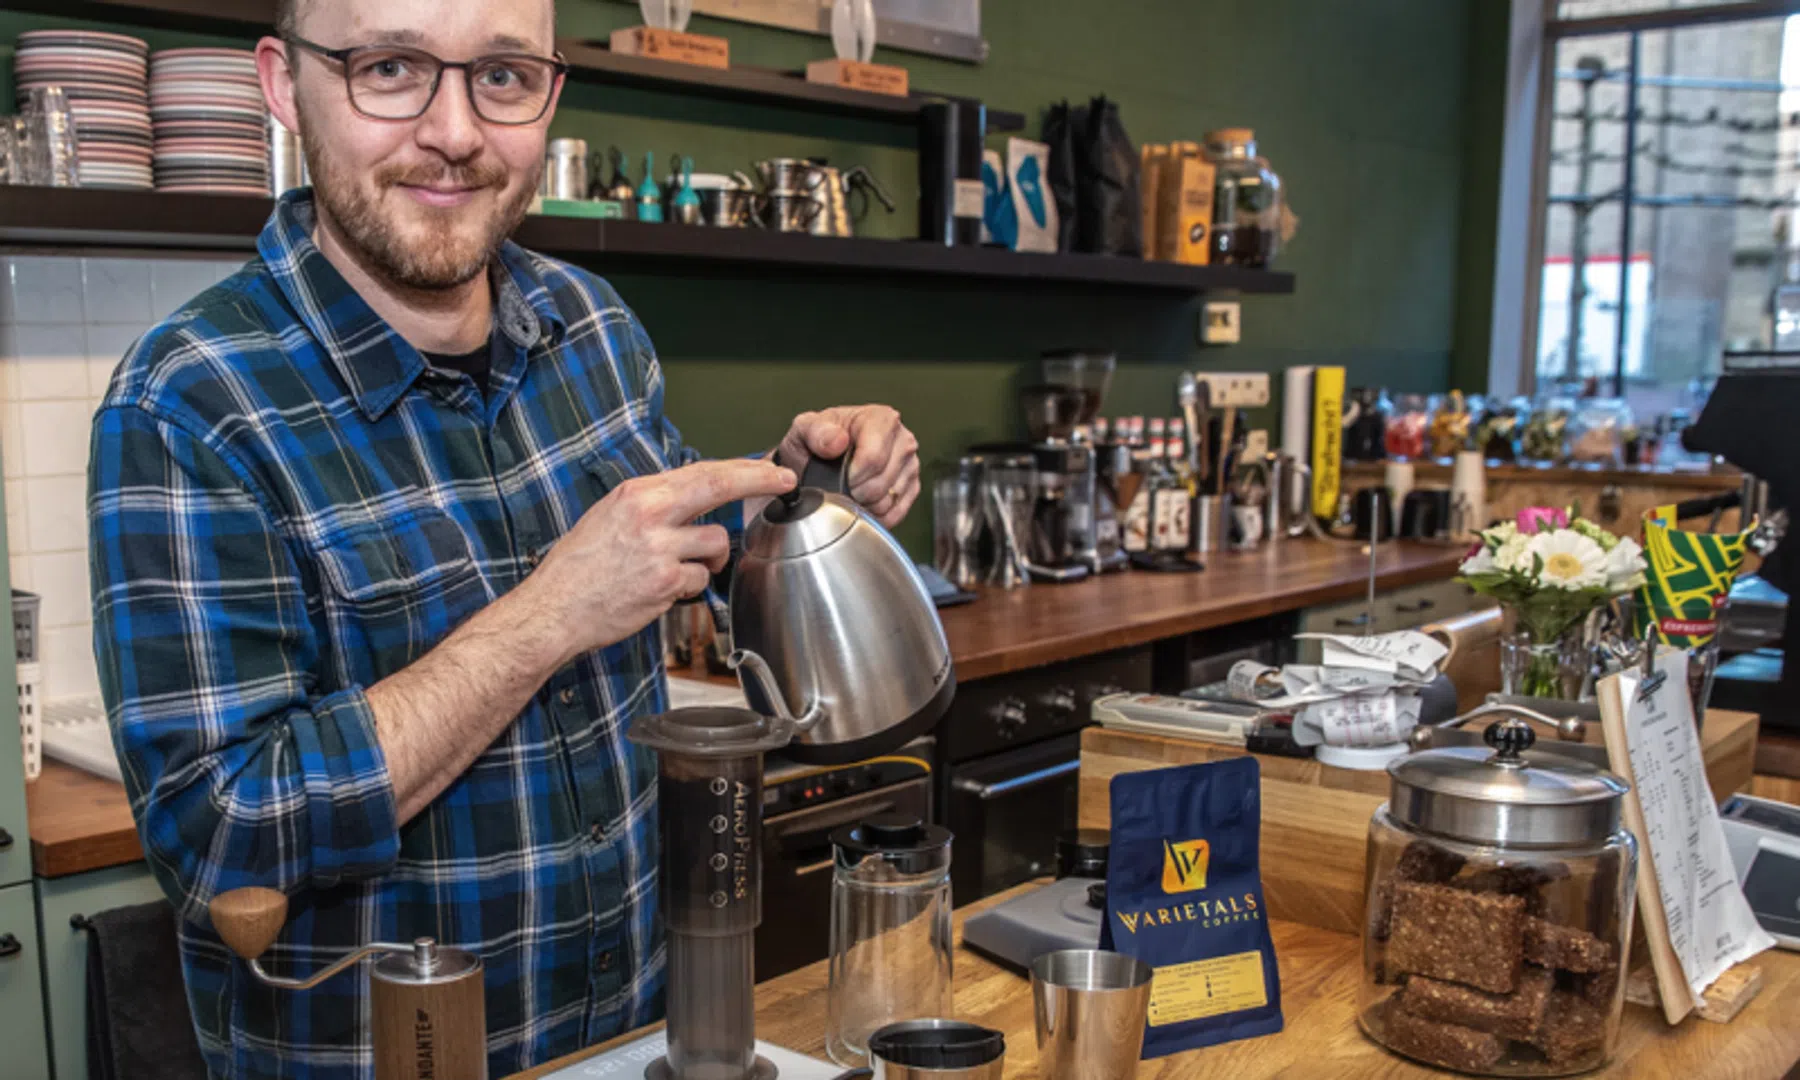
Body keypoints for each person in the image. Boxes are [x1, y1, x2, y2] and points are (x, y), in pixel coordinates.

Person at [85, 0, 921, 1075]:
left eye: (503, 76)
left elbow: (668, 566)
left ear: (551, 94)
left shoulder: (594, 327)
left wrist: (783, 503)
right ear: (285, 86)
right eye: (390, 69)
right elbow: (221, 834)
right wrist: (550, 614)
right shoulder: (187, 404)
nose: (456, 132)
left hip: (638, 1044)